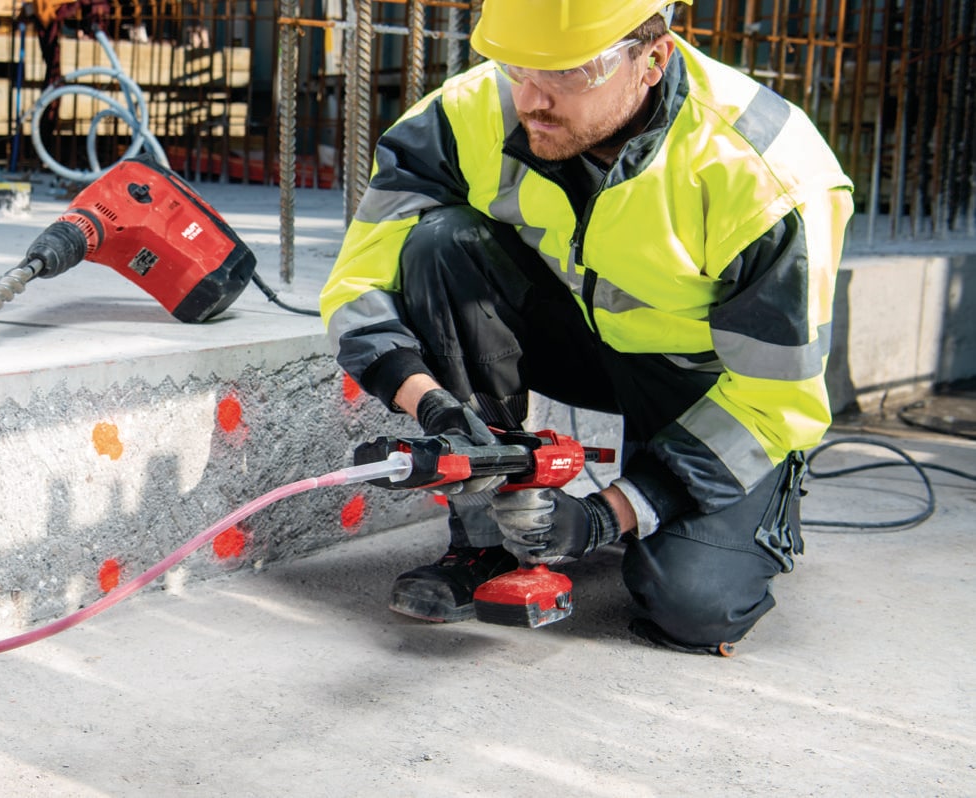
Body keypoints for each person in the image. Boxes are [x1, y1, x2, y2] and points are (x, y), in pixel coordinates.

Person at [320, 0, 853, 654]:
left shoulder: (762, 171)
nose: (531, 99)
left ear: (651, 60)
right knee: (439, 244)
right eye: (516, 66)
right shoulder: (467, 114)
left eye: (568, 73)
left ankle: (761, 509)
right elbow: (359, 284)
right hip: (578, 338)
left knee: (694, 607)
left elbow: (774, 398)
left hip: (706, 382)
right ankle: (486, 542)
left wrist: (606, 516)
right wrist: (434, 407)